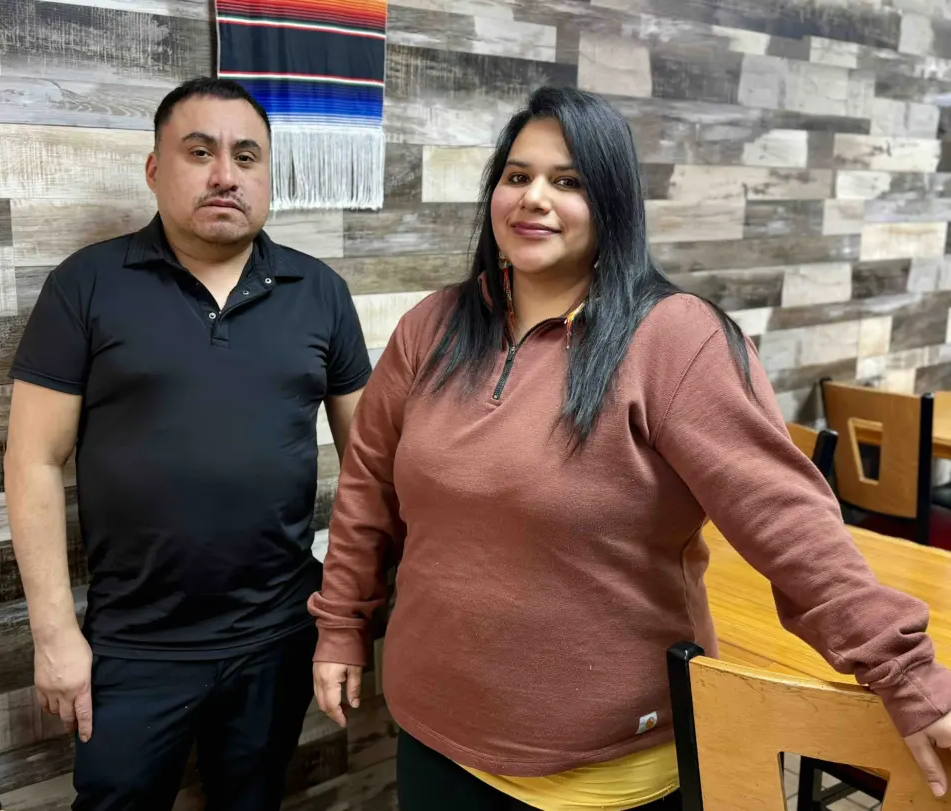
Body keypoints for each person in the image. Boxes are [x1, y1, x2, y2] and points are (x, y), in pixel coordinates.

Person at [307, 85, 951, 811]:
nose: (534, 198)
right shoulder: (435, 325)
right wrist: (340, 625)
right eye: (517, 176)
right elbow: (368, 487)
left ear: (612, 201)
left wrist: (907, 674)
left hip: (606, 765)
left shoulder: (674, 338)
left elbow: (788, 522)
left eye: (568, 180)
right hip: (434, 732)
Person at [3, 77, 372, 811]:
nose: (225, 175)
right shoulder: (88, 284)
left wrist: (346, 615)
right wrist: (55, 635)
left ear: (267, 173)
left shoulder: (320, 290)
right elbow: (33, 460)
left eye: (246, 155)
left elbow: (370, 462)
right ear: (154, 169)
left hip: (276, 633)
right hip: (134, 647)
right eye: (199, 151)